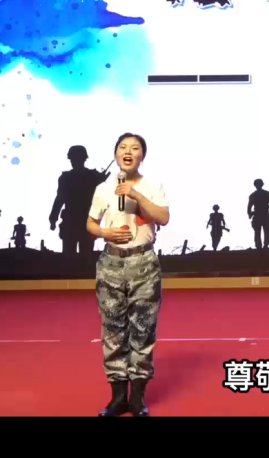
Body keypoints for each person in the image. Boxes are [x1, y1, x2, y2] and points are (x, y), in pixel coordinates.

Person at [86, 133, 169, 417]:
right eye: (122, 147)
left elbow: (163, 217)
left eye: (135, 148)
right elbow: (91, 223)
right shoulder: (103, 188)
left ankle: (138, 398)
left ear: (142, 155)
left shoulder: (152, 186)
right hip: (110, 263)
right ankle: (118, 398)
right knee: (113, 330)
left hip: (143, 263)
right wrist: (105, 232)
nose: (128, 151)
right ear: (116, 154)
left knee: (143, 329)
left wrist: (136, 195)